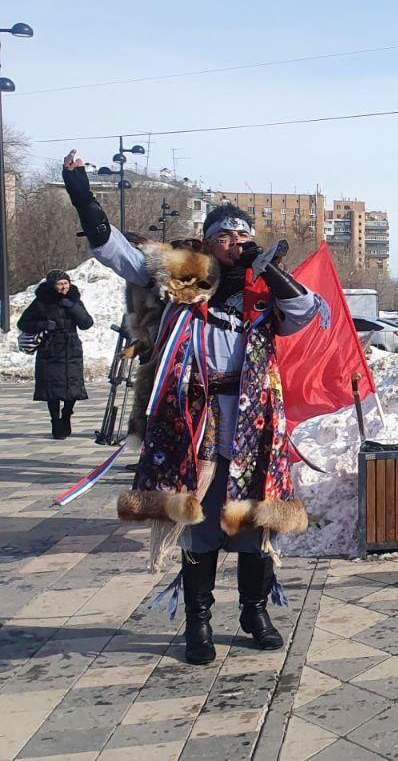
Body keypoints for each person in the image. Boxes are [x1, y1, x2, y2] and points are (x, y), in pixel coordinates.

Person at [61, 149, 321, 665]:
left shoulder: (266, 288)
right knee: (198, 523)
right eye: (225, 236)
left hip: (253, 426)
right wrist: (80, 191)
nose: (235, 243)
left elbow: (305, 313)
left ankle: (254, 612)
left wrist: (264, 270)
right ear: (207, 241)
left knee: (254, 522)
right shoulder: (184, 277)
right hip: (193, 422)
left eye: (242, 236)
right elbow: (119, 254)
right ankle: (198, 621)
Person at [17, 270, 93, 439]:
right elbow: (23, 323)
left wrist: (73, 307)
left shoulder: (74, 299)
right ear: (53, 285)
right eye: (60, 283)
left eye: (66, 283)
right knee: (53, 390)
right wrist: (43, 324)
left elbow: (87, 323)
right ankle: (55, 420)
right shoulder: (41, 302)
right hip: (50, 351)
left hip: (71, 350)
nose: (64, 286)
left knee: (73, 388)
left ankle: (66, 415)